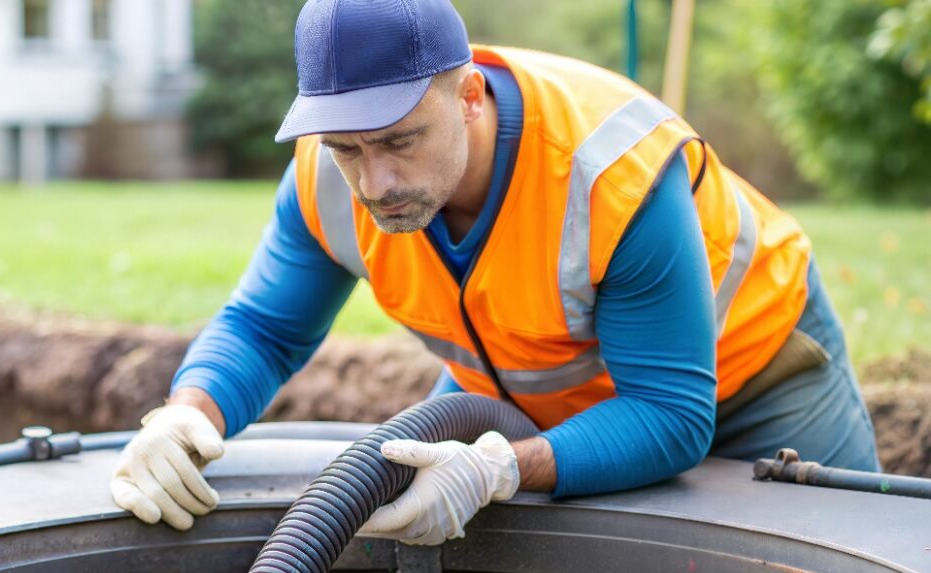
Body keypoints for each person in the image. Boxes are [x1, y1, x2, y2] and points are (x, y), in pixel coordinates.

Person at [110, 0, 879, 541]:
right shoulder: (325, 173)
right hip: (528, 381)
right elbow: (264, 327)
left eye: (400, 141)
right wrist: (189, 412)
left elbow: (671, 415)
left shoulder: (606, 172)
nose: (374, 183)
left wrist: (496, 470)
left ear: (469, 94)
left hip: (759, 378)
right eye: (348, 149)